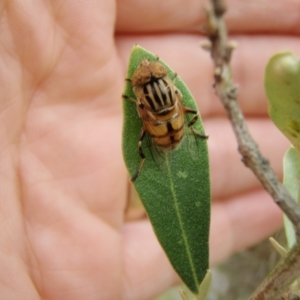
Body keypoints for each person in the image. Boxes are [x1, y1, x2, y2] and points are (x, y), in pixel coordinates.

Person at [0, 1, 295, 299]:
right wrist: (185, 126)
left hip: (159, 129)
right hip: (176, 123)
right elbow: (176, 98)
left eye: (148, 71)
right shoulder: (172, 89)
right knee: (179, 114)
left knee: (144, 134)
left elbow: (141, 108)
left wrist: (145, 110)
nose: (144, 68)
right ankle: (190, 132)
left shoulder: (141, 97)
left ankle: (148, 158)